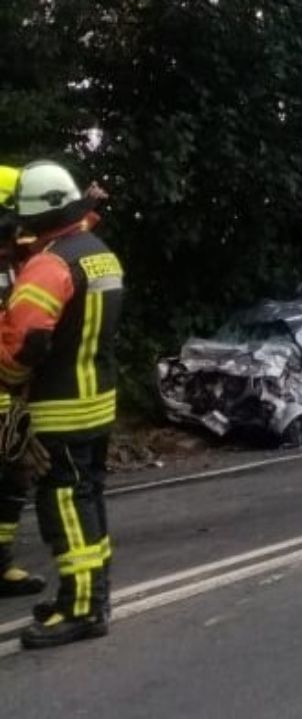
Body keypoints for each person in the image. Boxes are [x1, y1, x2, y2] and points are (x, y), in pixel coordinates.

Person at [0, 160, 123, 649]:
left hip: (60, 406)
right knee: (88, 502)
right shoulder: (98, 253)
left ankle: (81, 610)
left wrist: (8, 384)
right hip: (97, 400)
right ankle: (91, 595)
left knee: (64, 507)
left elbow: (24, 342)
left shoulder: (48, 265)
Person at [0, 165, 46, 599]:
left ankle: (0, 563)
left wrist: (86, 209)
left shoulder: (17, 262)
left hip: (9, 395)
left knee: (15, 475)